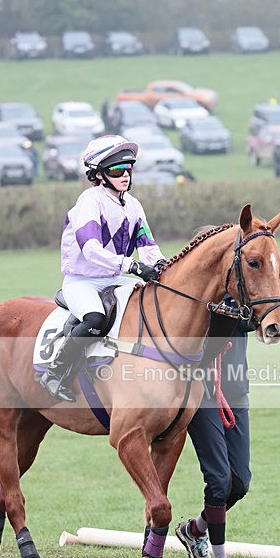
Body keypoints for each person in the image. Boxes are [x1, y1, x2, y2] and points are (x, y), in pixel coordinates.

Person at [39, 134, 166, 402]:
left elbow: (148, 245)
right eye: (117, 170)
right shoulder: (89, 201)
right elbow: (91, 249)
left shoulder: (133, 205)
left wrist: (160, 264)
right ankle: (54, 372)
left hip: (116, 279)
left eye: (128, 169)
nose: (125, 176)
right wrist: (130, 264)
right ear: (99, 174)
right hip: (82, 281)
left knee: (152, 302)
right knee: (95, 319)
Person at [175, 303, 254, 558]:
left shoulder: (243, 296)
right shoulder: (197, 294)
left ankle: (194, 530)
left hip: (236, 392)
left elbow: (262, 319)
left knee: (240, 483)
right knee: (219, 480)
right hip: (201, 394)